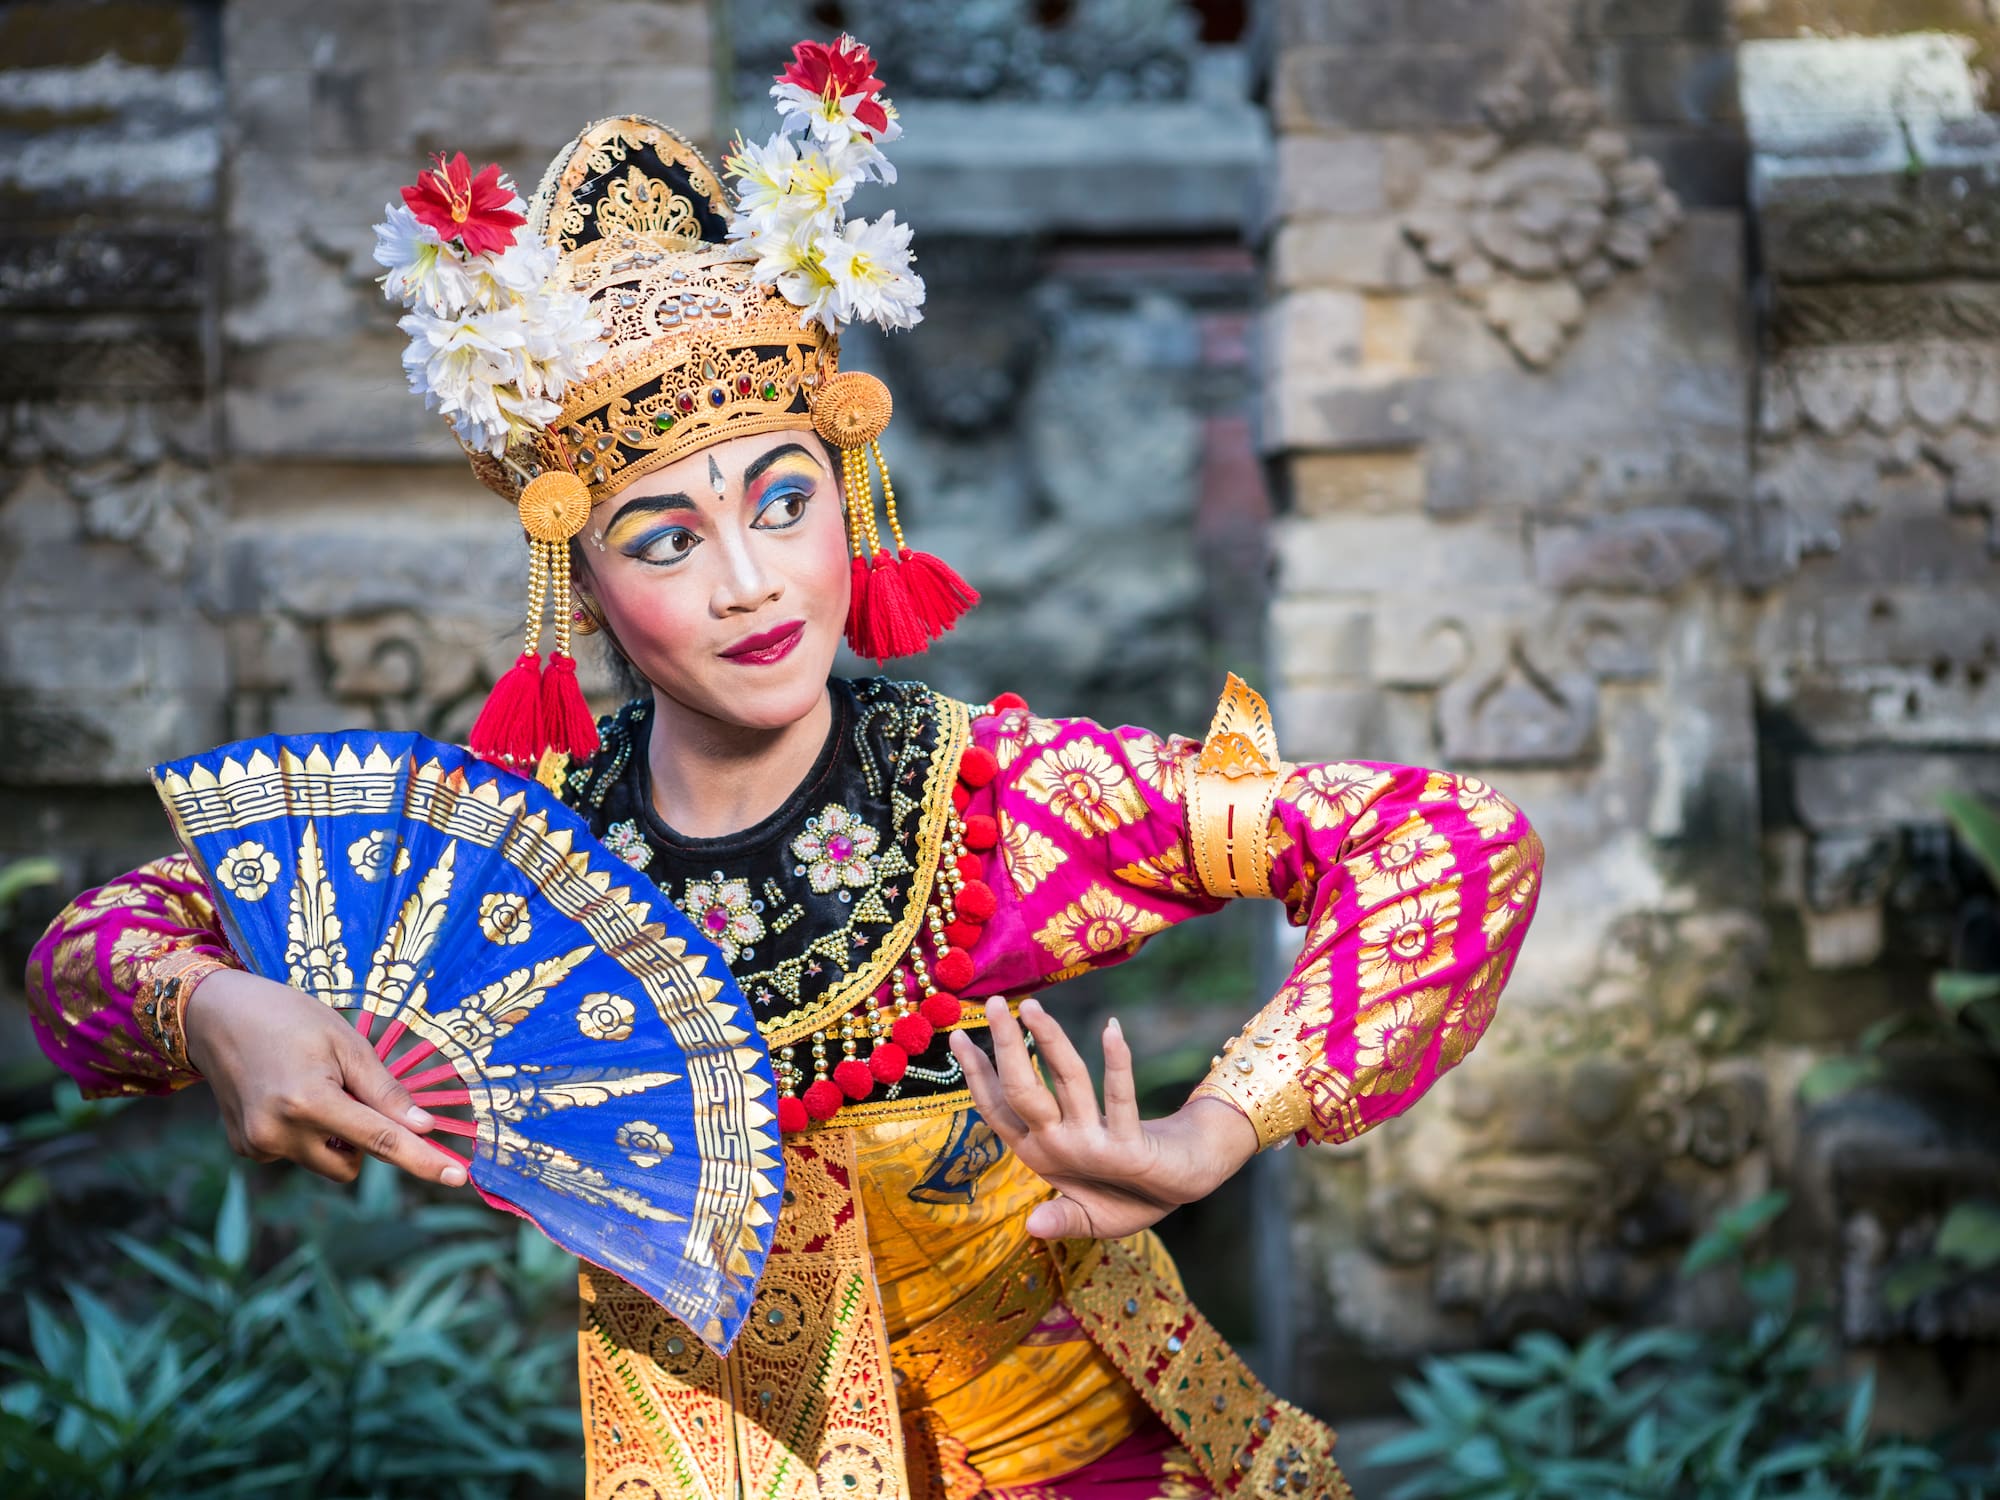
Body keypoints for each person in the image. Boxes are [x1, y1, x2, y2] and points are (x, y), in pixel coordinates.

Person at [22, 38, 1543, 1500]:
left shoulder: (988, 806)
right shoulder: (514, 863)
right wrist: (218, 1005)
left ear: (849, 498)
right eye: (668, 539)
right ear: (586, 586)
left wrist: (1214, 1131)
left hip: (1097, 1461)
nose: (753, 582)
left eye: (784, 500)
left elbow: (1452, 843)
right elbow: (93, 950)